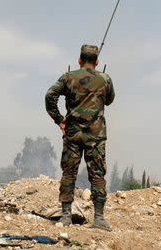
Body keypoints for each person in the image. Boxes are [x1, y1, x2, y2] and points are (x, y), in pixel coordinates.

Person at [45, 44, 115, 230]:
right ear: (97, 61)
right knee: (97, 174)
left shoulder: (69, 77)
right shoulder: (105, 79)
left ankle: (66, 217)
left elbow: (50, 96)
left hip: (73, 134)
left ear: (79, 60)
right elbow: (109, 100)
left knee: (69, 173)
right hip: (96, 135)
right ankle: (99, 218)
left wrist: (59, 120)